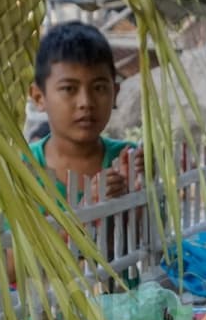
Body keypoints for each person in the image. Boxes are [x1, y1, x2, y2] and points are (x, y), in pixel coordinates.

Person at [28, 21, 141, 201]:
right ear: (39, 98)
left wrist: (133, 190)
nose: (86, 102)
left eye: (99, 88)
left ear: (115, 93)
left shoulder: (128, 160)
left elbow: (151, 227)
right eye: (69, 89)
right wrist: (89, 208)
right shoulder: (21, 169)